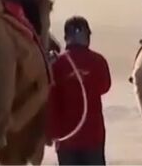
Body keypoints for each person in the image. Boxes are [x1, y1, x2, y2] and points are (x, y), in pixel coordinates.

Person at [47, 16, 111, 165]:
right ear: (86, 36)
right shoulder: (98, 61)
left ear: (66, 37)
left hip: (65, 138)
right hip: (93, 136)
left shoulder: (56, 64)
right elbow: (105, 87)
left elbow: (51, 100)